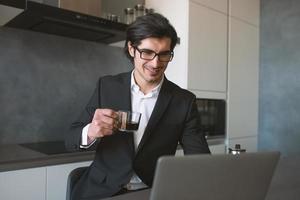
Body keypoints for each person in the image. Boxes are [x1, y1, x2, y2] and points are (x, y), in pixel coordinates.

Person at [65, 13, 210, 200]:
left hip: (152, 192)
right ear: (132, 49)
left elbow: (200, 160)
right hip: (101, 191)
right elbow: (70, 138)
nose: (156, 63)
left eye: (164, 54)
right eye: (147, 52)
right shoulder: (107, 86)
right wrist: (91, 131)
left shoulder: (184, 100)